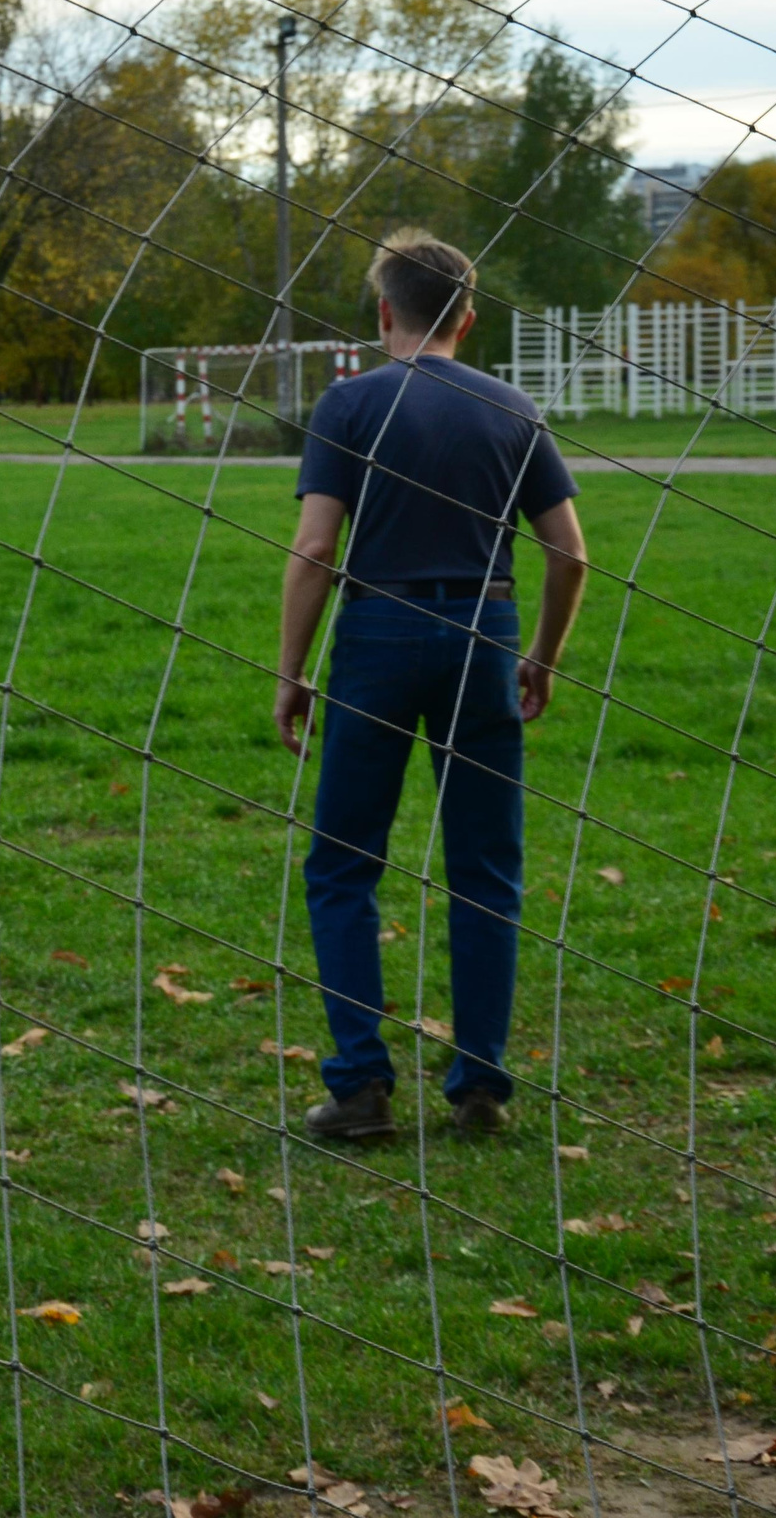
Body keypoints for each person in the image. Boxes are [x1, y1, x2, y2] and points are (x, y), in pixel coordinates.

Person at [274, 229, 589, 1140]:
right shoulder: (513, 409)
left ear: (385, 313)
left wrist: (291, 673)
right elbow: (570, 554)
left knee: (344, 864)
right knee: (486, 869)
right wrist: (541, 657)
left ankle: (360, 1089)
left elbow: (315, 549)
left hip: (375, 635)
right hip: (485, 633)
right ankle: (480, 1087)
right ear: (469, 318)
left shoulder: (349, 403)